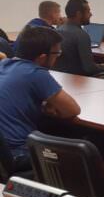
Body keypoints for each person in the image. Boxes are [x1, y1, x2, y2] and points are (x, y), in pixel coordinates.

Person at [0, 26, 80, 172]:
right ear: (43, 57)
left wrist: (43, 107)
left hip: (4, 154)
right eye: (57, 53)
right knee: (86, 144)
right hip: (19, 153)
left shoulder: (4, 65)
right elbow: (72, 110)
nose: (58, 57)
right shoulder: (35, 73)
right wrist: (48, 110)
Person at [54, 0, 104, 76]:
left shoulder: (58, 30)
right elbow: (89, 68)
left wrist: (100, 65)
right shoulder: (81, 35)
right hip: (81, 81)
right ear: (79, 14)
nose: (91, 14)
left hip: (62, 78)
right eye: (88, 11)